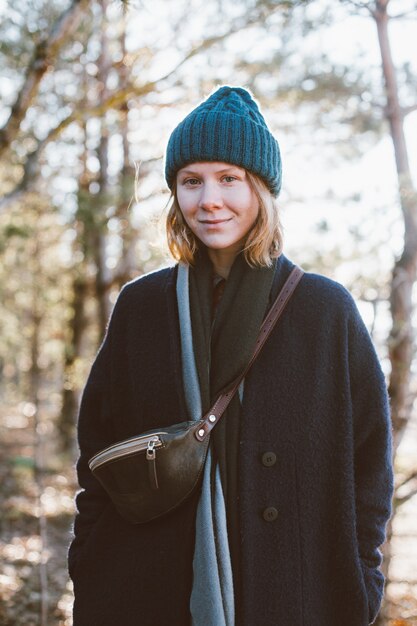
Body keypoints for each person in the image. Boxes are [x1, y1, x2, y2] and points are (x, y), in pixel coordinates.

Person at [68, 85, 394, 626]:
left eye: (228, 179)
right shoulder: (142, 306)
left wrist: (362, 577)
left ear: (260, 189)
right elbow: (98, 446)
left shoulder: (324, 310)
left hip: (300, 590)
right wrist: (90, 562)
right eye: (191, 182)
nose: (208, 200)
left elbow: (369, 463)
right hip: (144, 586)